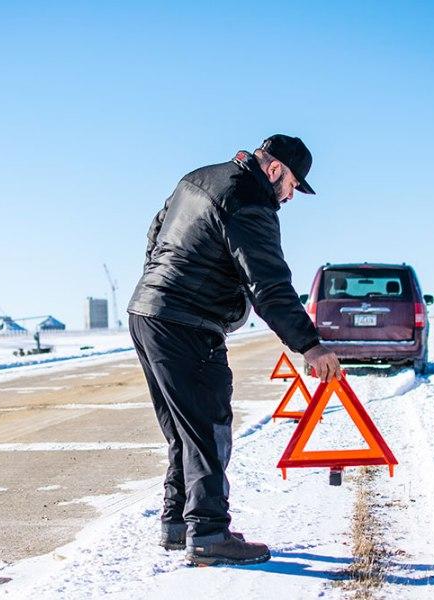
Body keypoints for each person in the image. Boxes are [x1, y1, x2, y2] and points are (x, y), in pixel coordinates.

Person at [127, 134, 342, 566]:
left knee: (183, 429)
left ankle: (176, 524)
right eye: (293, 187)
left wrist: (165, 282)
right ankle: (208, 534)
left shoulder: (198, 177)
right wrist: (310, 345)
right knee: (208, 428)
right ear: (276, 169)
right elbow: (270, 284)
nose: (289, 198)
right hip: (187, 323)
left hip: (147, 312)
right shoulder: (250, 199)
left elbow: (155, 233)